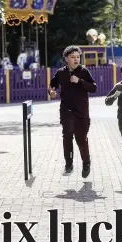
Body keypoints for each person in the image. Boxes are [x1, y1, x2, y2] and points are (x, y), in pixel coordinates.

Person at [48, 45, 97, 178]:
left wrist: (80, 81)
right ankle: (68, 165)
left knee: (81, 139)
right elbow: (52, 84)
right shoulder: (60, 73)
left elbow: (93, 88)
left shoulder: (84, 72)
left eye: (77, 57)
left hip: (82, 112)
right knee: (67, 136)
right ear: (66, 59)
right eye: (72, 57)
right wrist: (51, 91)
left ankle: (86, 163)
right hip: (66, 110)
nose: (76, 60)